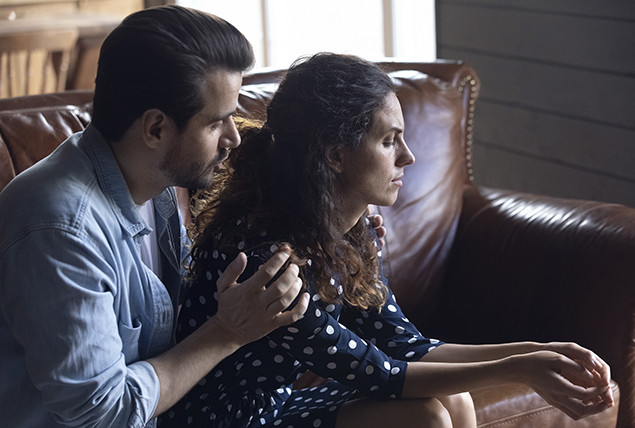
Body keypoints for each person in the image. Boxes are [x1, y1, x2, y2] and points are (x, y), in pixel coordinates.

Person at [162, 53, 615, 428]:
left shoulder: (345, 234)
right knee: (429, 418)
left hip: (276, 410)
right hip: (225, 423)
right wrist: (521, 369)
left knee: (452, 400)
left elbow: (411, 347)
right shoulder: (270, 261)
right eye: (389, 141)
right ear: (336, 155)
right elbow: (380, 373)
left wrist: (538, 351)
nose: (408, 156)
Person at [0, 6, 310, 428]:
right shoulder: (60, 228)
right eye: (217, 122)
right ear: (155, 129)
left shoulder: (153, 185)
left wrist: (328, 234)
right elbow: (102, 413)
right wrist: (227, 331)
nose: (234, 138)